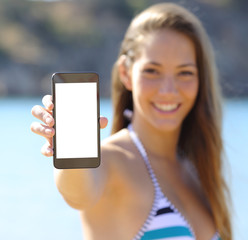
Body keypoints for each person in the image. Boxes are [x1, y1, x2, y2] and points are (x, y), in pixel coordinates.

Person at [30, 2, 231, 240]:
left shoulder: (197, 170)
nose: (168, 90)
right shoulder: (112, 160)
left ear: (200, 79)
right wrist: (68, 148)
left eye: (185, 73)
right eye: (152, 71)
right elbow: (78, 193)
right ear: (126, 73)